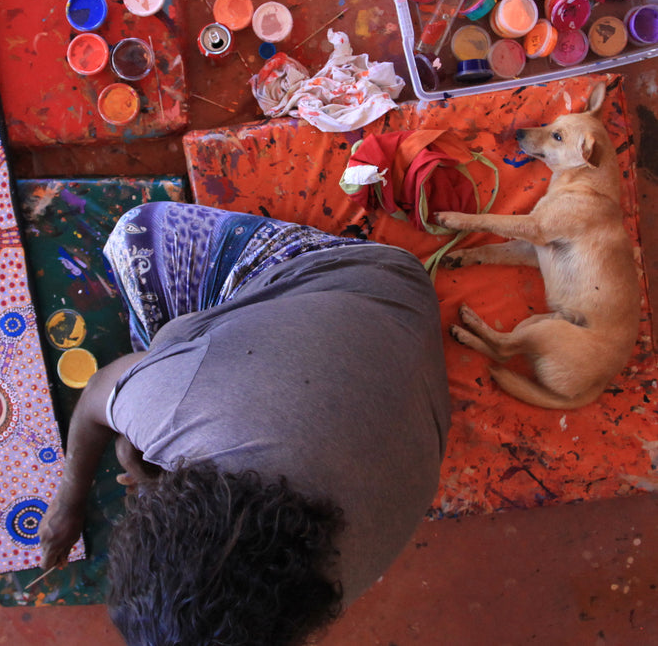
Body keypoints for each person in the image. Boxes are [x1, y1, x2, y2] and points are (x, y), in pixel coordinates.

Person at [38, 202, 450, 646]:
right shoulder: (187, 406)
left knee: (140, 420)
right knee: (136, 235)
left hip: (404, 333)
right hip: (363, 274)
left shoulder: (338, 582)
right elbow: (99, 391)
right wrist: (69, 501)